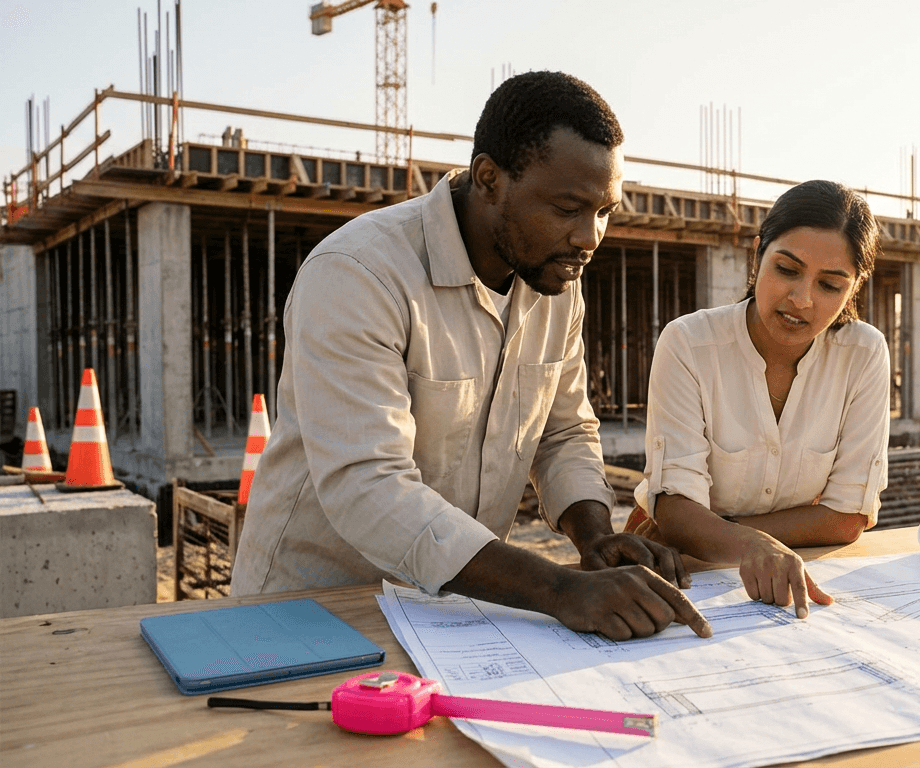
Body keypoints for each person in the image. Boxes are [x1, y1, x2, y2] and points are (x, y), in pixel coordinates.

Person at [232, 71, 711, 642]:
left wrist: (594, 538)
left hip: (457, 608)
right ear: (489, 178)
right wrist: (558, 590)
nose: (590, 235)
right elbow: (369, 485)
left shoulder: (555, 283)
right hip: (312, 607)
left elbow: (563, 431)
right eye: (567, 208)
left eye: (605, 211)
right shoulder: (359, 275)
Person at [629, 179, 890, 619]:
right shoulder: (689, 344)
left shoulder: (863, 355)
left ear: (855, 287)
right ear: (758, 255)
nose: (801, 299)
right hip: (669, 562)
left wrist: (734, 537)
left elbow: (847, 518)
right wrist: (746, 541)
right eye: (787, 270)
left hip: (768, 561)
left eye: (829, 285)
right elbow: (673, 509)